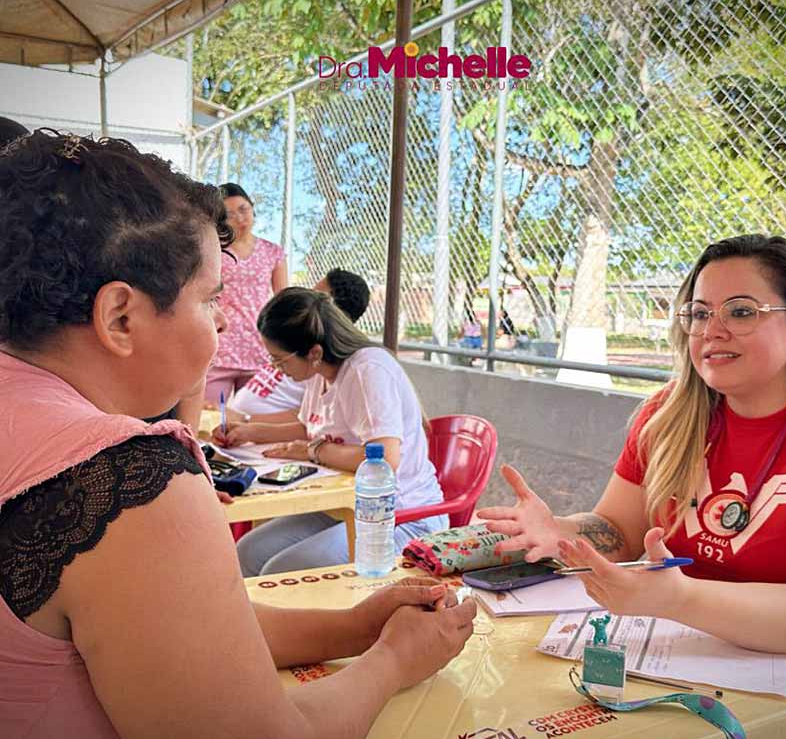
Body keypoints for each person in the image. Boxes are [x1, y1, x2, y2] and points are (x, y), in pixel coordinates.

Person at [0, 131, 475, 739]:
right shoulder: (124, 483)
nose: (223, 320)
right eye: (209, 298)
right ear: (121, 316)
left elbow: (180, 627)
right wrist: (395, 659)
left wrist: (356, 627)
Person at [478, 234, 786, 739]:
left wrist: (679, 600)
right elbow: (618, 528)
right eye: (699, 314)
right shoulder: (668, 414)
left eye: (740, 312)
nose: (712, 331)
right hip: (694, 642)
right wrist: (563, 532)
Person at [214, 287, 447, 576]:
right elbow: (310, 426)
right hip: (345, 505)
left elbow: (385, 458)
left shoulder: (367, 370)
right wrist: (250, 431)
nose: (276, 368)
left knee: (285, 569)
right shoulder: (320, 372)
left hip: (397, 515)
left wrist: (315, 451)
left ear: (314, 352)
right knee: (246, 552)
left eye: (280, 360)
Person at [228, 268, 370, 424]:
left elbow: (309, 420)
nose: (304, 299)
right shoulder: (302, 350)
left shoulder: (325, 362)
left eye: (314, 298)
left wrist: (246, 420)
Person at [204, 182, 288, 403]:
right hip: (220, 349)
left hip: (258, 348)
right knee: (210, 417)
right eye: (230, 214)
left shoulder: (273, 252)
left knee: (250, 418)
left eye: (243, 209)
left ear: (252, 209)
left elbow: (284, 300)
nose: (240, 218)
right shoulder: (214, 251)